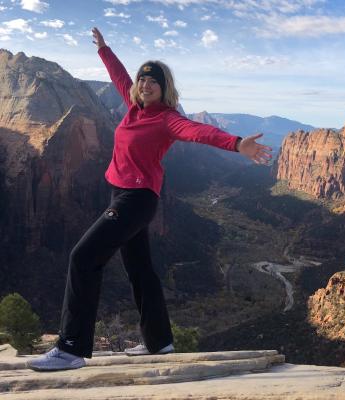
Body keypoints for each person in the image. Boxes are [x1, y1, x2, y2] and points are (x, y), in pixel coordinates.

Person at [27, 27, 272, 371]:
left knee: (83, 257)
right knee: (140, 270)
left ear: (164, 87)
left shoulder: (167, 119)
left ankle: (70, 348)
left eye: (152, 82)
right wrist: (105, 49)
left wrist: (236, 143)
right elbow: (120, 78)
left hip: (136, 200)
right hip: (123, 194)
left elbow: (200, 132)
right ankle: (159, 343)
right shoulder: (133, 107)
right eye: (143, 81)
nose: (145, 85)